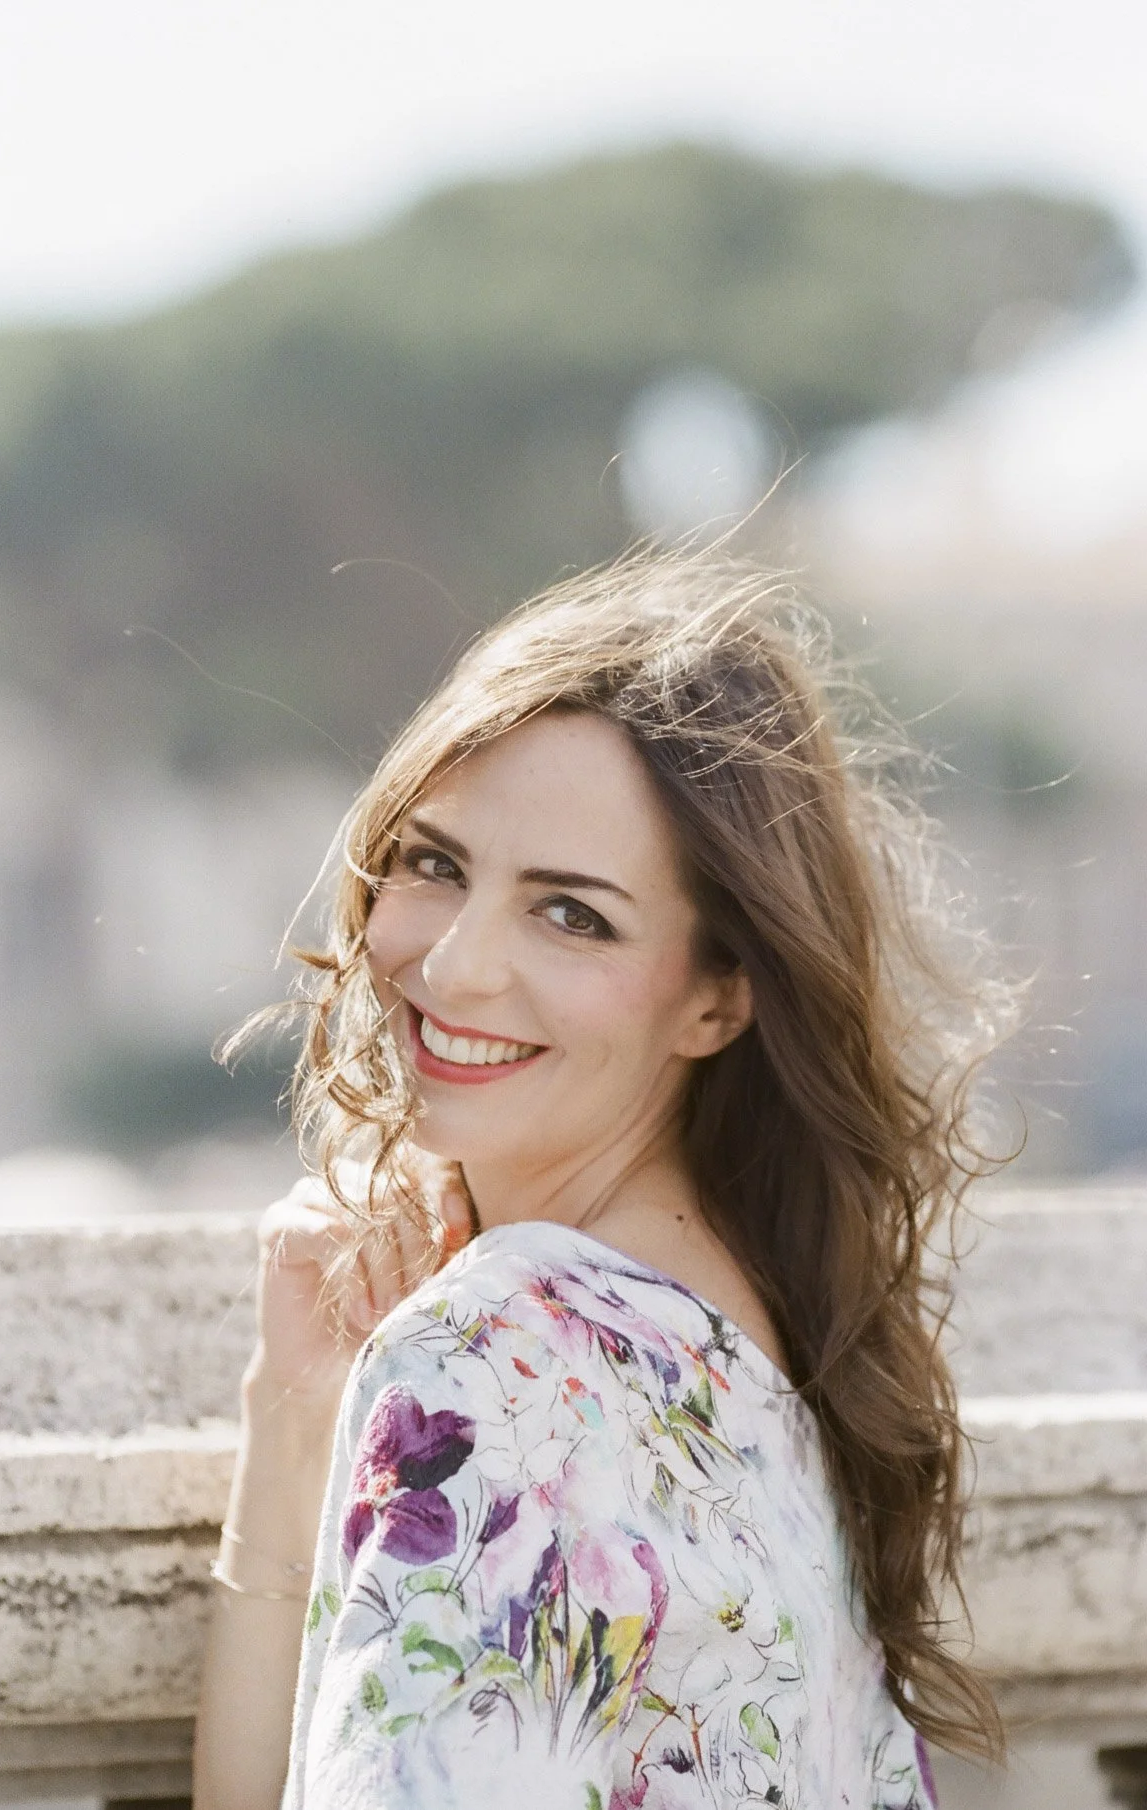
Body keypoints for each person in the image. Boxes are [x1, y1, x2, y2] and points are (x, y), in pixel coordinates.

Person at [193, 552, 1014, 1809]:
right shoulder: (759, 1347)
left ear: (718, 996)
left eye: (572, 914)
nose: (455, 967)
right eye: (434, 863)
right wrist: (292, 1415)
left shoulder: (494, 1359)